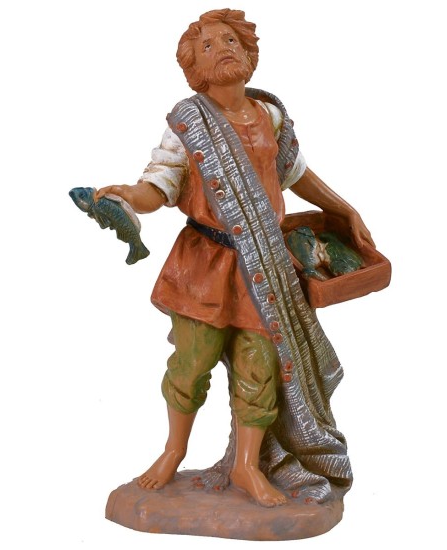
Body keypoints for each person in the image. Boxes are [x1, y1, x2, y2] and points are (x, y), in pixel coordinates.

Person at [96, 9, 374, 508]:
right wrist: (129, 197)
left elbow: (295, 172)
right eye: (208, 45)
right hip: (204, 264)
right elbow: (159, 184)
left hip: (264, 265)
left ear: (248, 52)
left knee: (259, 365)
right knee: (191, 363)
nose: (222, 48)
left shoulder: (270, 115)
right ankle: (173, 451)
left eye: (230, 40)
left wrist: (343, 208)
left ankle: (247, 465)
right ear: (194, 69)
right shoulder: (189, 123)